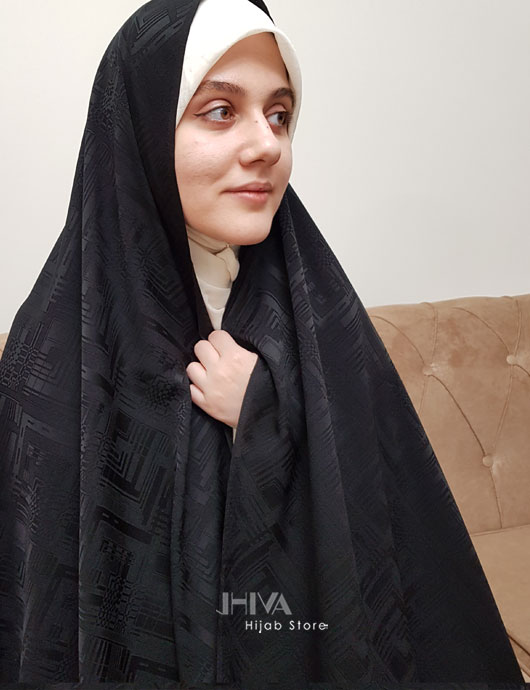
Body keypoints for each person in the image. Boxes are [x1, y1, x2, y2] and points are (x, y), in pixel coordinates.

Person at [0, 0, 523, 687]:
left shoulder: (319, 308)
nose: (267, 145)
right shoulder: (55, 352)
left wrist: (269, 412)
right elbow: (49, 600)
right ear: (141, 131)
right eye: (220, 111)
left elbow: (390, 526)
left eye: (279, 115)